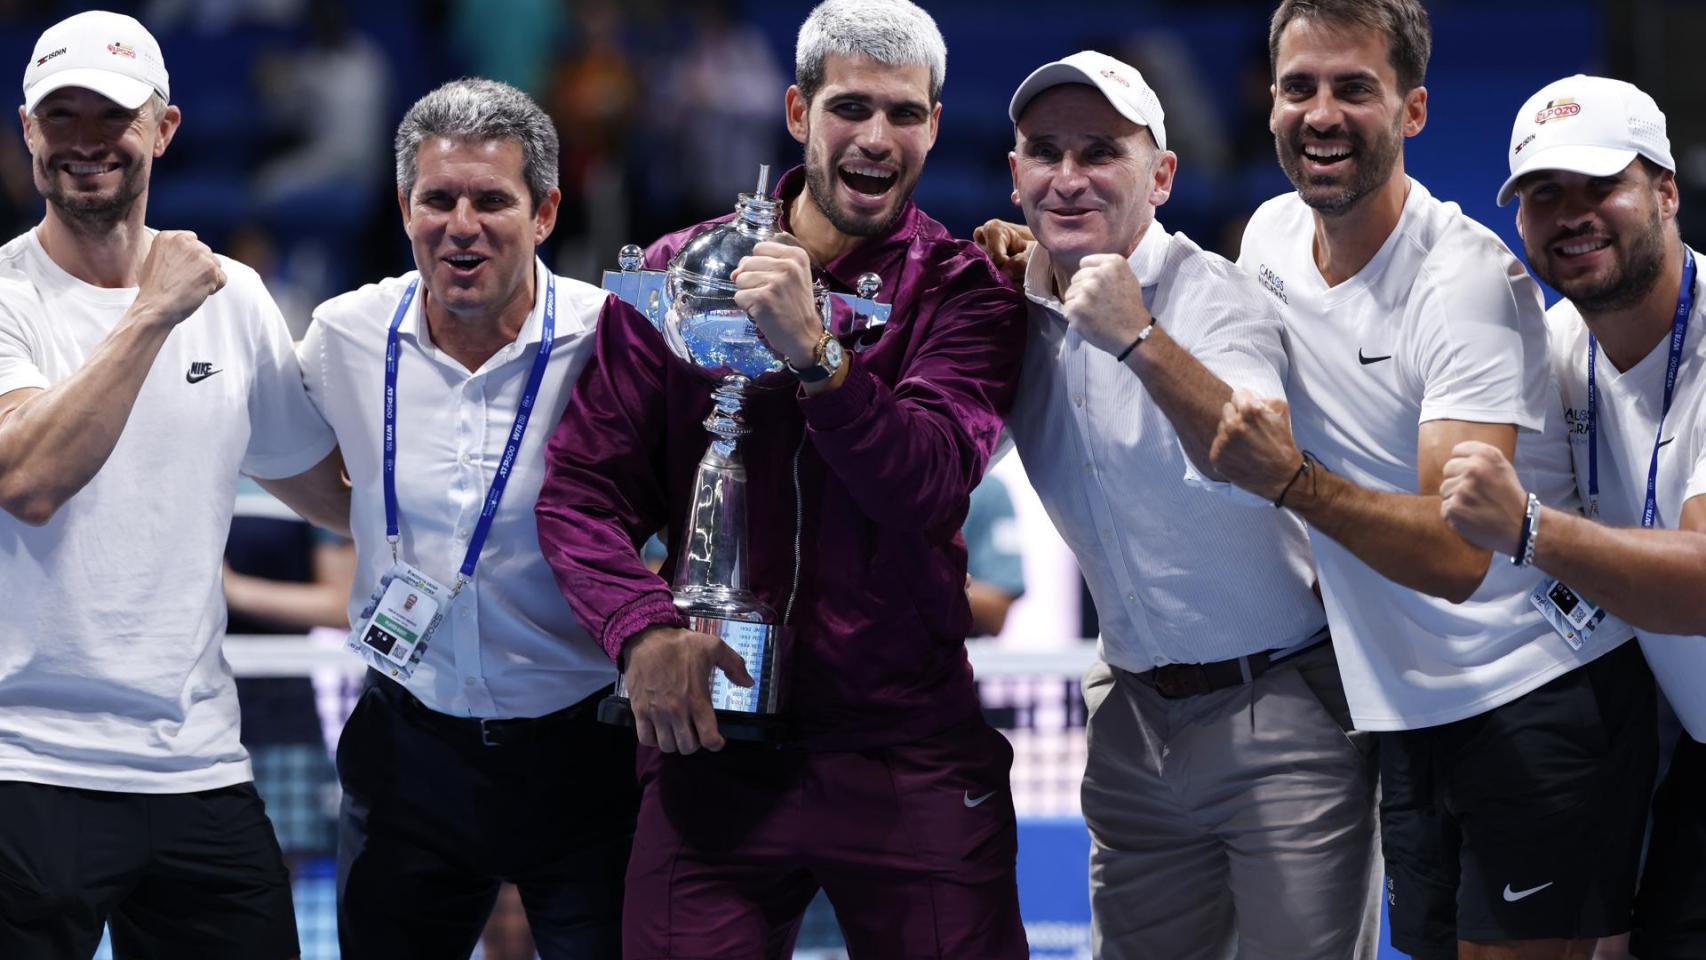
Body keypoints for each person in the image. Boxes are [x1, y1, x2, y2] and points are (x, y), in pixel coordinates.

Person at [533, 1, 1030, 956]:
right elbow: (583, 491)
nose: (876, 138)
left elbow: (926, 484)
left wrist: (818, 359)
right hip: (710, 746)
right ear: (799, 112)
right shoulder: (682, 276)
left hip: (907, 748)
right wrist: (640, 630)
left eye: (904, 114)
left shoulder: (966, 290)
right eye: (850, 108)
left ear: (934, 125)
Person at [1206, 3, 1658, 958]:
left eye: (1353, 89)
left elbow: (1457, 557)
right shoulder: (1268, 238)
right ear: (1270, 101)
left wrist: (1292, 482)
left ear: (1412, 110)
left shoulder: (1463, 280)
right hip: (1406, 708)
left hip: (1535, 689)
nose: (1321, 114)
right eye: (1299, 87)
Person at [979, 50, 1381, 959]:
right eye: (1045, 152)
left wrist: (1139, 338)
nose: (1069, 177)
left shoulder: (1217, 297)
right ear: (1015, 175)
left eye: (1100, 152)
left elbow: (1254, 458)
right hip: (1130, 720)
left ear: (1160, 177)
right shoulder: (1012, 308)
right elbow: (942, 459)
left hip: (1282, 707)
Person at [0, 11, 346, 959]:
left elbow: (331, 494)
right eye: (60, 114)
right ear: (27, 130)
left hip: (197, 766)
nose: (85, 140)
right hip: (23, 762)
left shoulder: (232, 298)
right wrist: (152, 312)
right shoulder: (10, 298)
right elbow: (30, 480)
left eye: (112, 114)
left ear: (164, 128)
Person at [296, 78, 637, 960]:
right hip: (409, 750)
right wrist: (356, 516)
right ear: (403, 207)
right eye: (438, 199)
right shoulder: (342, 336)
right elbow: (273, 452)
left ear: (545, 212)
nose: (461, 225)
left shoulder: (615, 340)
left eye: (491, 200)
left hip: (588, 752)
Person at [1440, 74, 1706, 960]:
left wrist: (1531, 528)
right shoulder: (1551, 351)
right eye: (1544, 193)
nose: (1571, 215)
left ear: (1665, 192)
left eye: (1600, 185)